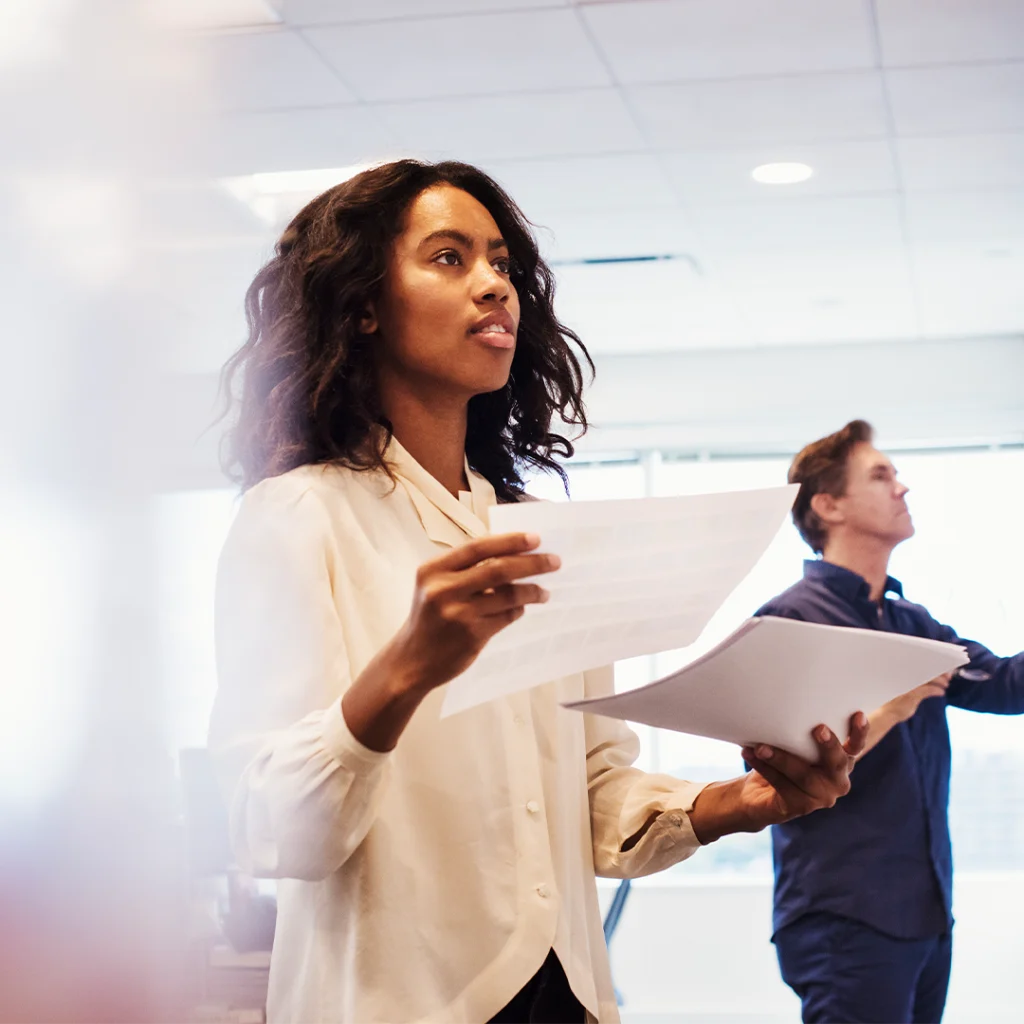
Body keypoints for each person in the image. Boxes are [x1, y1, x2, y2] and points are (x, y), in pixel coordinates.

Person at [208, 159, 866, 1024]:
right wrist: (404, 671)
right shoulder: (299, 515)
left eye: (502, 264)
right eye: (449, 258)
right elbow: (266, 828)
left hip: (567, 998)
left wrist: (737, 804)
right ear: (363, 305)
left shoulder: (539, 534)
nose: (493, 285)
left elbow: (591, 797)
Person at [757, 419, 1024, 1024]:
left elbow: (1006, 685)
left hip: (927, 915)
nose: (902, 487)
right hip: (846, 920)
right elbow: (779, 765)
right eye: (881, 476)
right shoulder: (790, 622)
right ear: (828, 505)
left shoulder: (912, 624)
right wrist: (893, 708)